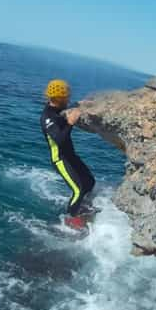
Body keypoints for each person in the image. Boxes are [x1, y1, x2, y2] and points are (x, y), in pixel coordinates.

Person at [40, 79, 95, 217]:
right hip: (60, 159)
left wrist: (81, 104)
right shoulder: (47, 117)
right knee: (78, 190)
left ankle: (81, 207)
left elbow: (69, 109)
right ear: (58, 98)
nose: (69, 98)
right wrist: (70, 123)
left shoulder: (59, 109)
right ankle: (71, 218)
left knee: (90, 182)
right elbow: (59, 140)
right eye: (66, 96)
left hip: (70, 155)